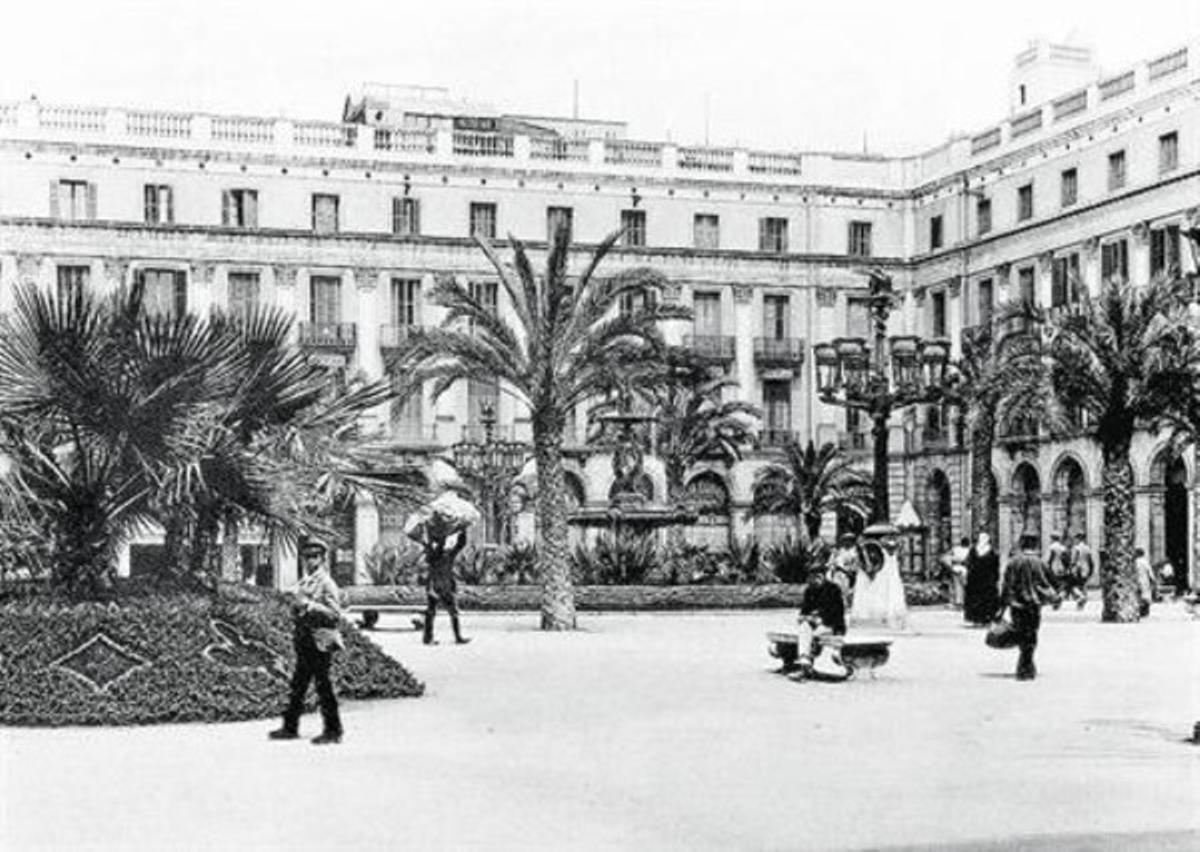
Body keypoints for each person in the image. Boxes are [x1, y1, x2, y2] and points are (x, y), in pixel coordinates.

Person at [270, 540, 345, 745]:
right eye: (307, 557)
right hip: (304, 639)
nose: (310, 561)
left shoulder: (327, 583)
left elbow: (335, 614)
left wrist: (310, 605)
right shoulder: (305, 582)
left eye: (314, 556)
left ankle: (333, 730)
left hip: (319, 639)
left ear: (323, 559)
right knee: (298, 685)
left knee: (323, 686)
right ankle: (290, 727)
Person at [998, 535, 1060, 680]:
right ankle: (1026, 665)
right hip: (1034, 604)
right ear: (1035, 545)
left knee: (1020, 634)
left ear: (1021, 544)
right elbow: (1053, 581)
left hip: (1016, 605)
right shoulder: (1040, 563)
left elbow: (1006, 585)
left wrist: (1002, 607)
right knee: (1032, 634)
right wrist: (1053, 597)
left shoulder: (1013, 562)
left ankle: (1025, 665)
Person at [793, 561, 848, 678]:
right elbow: (803, 612)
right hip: (813, 625)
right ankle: (804, 659)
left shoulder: (833, 589)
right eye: (812, 577)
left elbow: (837, 614)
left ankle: (805, 667)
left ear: (823, 576)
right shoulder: (809, 591)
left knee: (814, 635)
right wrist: (805, 618)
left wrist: (820, 619)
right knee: (804, 627)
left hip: (831, 626)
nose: (814, 580)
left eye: (817, 576)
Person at [849, 530, 908, 630]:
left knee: (887, 593)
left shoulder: (884, 550)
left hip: (887, 574)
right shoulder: (869, 549)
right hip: (878, 575)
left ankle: (887, 617)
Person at [421, 528, 471, 645]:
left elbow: (460, 545)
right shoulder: (434, 555)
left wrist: (463, 530)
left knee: (438, 612)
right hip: (437, 586)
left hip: (442, 586)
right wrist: (446, 533)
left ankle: (430, 638)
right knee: (435, 612)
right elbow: (448, 547)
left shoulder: (445, 555)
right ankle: (432, 638)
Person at [963, 532, 1000, 626]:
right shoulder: (973, 550)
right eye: (982, 538)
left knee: (987, 599)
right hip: (975, 579)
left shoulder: (992, 551)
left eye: (985, 538)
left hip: (987, 580)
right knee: (975, 599)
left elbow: (995, 566)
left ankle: (987, 618)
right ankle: (975, 618)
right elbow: (968, 563)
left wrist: (995, 578)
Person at [1064, 532, 1095, 609]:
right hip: (1086, 569)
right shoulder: (1087, 548)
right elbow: (1091, 561)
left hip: (1078, 570)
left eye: (1075, 539)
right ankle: (1081, 604)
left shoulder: (1076, 548)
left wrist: (1070, 569)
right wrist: (1091, 571)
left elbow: (1073, 560)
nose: (1075, 540)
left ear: (1078, 539)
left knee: (1072, 586)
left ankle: (1080, 597)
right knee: (1083, 585)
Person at [1044, 533, 1070, 609]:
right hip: (1062, 569)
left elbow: (1047, 560)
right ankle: (1059, 599)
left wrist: (1046, 569)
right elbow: (1067, 560)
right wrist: (1066, 568)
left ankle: (1055, 602)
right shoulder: (1063, 548)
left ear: (1052, 539)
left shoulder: (1051, 548)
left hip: (1053, 569)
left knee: (1052, 585)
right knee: (1061, 585)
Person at [946, 537, 970, 609]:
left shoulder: (955, 549)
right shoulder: (969, 550)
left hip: (955, 568)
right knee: (965, 586)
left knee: (957, 586)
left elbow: (947, 557)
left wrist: (950, 565)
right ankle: (965, 601)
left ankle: (958, 602)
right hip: (965, 569)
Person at [1134, 547, 1155, 619]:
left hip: (1136, 581)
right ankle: (1145, 612)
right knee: (1146, 596)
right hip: (1145, 581)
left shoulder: (1135, 562)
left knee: (1138, 597)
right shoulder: (1145, 562)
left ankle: (1139, 611)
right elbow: (1150, 572)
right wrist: (1153, 580)